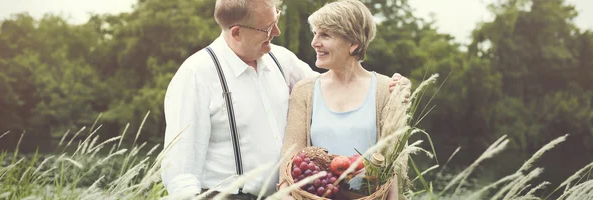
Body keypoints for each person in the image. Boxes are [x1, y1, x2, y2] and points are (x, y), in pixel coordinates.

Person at [161, 0, 410, 199]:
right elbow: (181, 169)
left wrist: (395, 87)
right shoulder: (197, 74)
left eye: (276, 19)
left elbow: (337, 85)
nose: (277, 32)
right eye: (267, 28)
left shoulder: (281, 60)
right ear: (237, 32)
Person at [278, 0, 411, 199]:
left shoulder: (387, 90)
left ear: (353, 43)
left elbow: (395, 169)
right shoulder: (304, 91)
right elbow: (289, 164)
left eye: (325, 35)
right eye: (315, 33)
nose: (315, 42)